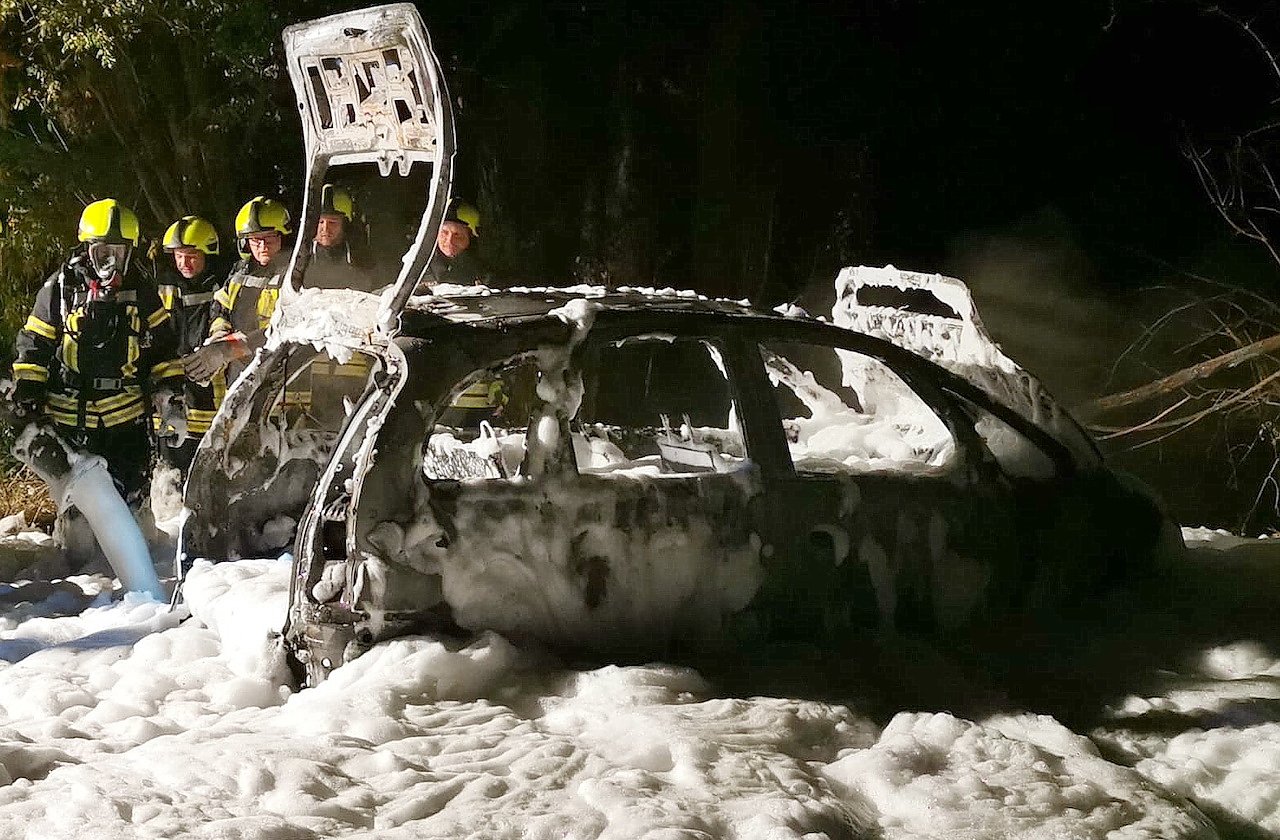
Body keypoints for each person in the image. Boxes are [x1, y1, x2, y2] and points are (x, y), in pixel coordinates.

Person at [10, 198, 183, 506]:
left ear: (130, 252)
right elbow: (34, 345)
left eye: (119, 252)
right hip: (71, 421)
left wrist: (171, 399)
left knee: (132, 503)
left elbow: (164, 350)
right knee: (77, 508)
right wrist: (29, 394)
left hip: (126, 424)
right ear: (87, 251)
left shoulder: (142, 291)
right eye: (103, 253)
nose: (111, 262)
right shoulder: (60, 290)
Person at [182, 196, 292, 395]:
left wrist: (231, 348)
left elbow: (290, 328)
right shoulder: (239, 273)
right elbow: (220, 309)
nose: (262, 246)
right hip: (240, 380)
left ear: (282, 236)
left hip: (284, 383)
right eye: (255, 240)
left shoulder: (296, 275)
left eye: (269, 238)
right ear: (245, 242)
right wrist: (218, 336)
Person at [155, 215, 226, 470]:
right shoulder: (162, 287)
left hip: (210, 395)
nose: (184, 263)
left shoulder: (221, 286)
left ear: (208, 254)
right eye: (179, 256)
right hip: (171, 395)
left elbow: (224, 323)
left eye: (192, 256)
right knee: (169, 470)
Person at [301, 183, 376, 291]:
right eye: (320, 222)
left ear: (345, 224)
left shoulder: (360, 257)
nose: (325, 229)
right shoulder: (302, 257)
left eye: (332, 222)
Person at [419, 198, 493, 290]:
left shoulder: (484, 270)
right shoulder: (418, 264)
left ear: (470, 235)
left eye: (457, 234)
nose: (449, 241)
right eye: (444, 232)